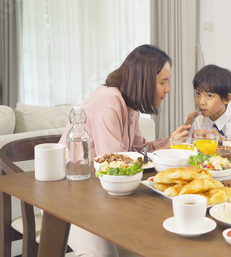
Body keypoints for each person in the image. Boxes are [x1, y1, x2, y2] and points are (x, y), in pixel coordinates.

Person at [59, 44, 191, 256]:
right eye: (163, 82)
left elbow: (140, 150)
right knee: (111, 251)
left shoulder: (131, 106)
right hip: (72, 196)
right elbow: (115, 164)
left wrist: (170, 142)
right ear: (144, 81)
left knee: (147, 235)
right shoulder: (109, 100)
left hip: (100, 192)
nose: (168, 89)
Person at [186, 64, 231, 150]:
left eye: (209, 95)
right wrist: (193, 141)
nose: (201, 102)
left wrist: (222, 142)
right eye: (198, 93)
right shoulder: (198, 121)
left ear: (226, 99)